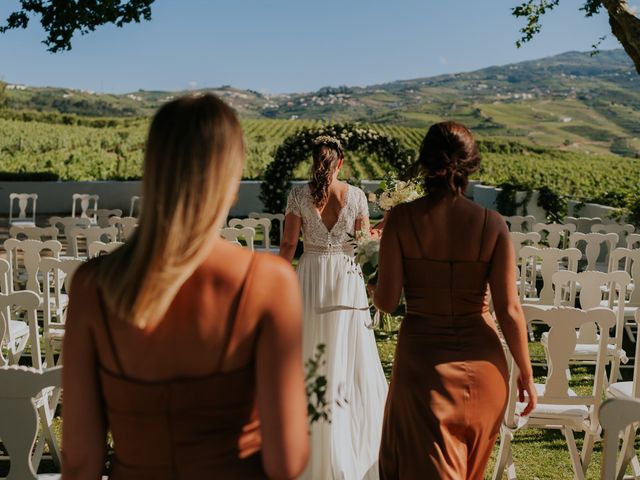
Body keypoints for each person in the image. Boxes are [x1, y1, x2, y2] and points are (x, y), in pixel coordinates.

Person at [62, 94, 309, 480]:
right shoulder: (269, 281)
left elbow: (79, 462)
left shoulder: (93, 286)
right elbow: (287, 461)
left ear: (153, 171)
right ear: (230, 180)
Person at [373, 121, 536, 480]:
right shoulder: (492, 224)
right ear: (471, 164)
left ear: (425, 163)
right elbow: (509, 310)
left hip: (423, 370)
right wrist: (525, 371)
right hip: (486, 372)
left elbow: (386, 302)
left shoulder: (401, 220)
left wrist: (370, 283)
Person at [280, 136, 388, 480]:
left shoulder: (298, 194)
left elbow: (287, 244)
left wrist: (275, 281)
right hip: (346, 274)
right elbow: (364, 242)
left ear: (315, 161)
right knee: (347, 352)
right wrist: (386, 225)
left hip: (311, 274)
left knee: (309, 350)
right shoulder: (355, 195)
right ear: (340, 162)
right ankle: (347, 438)